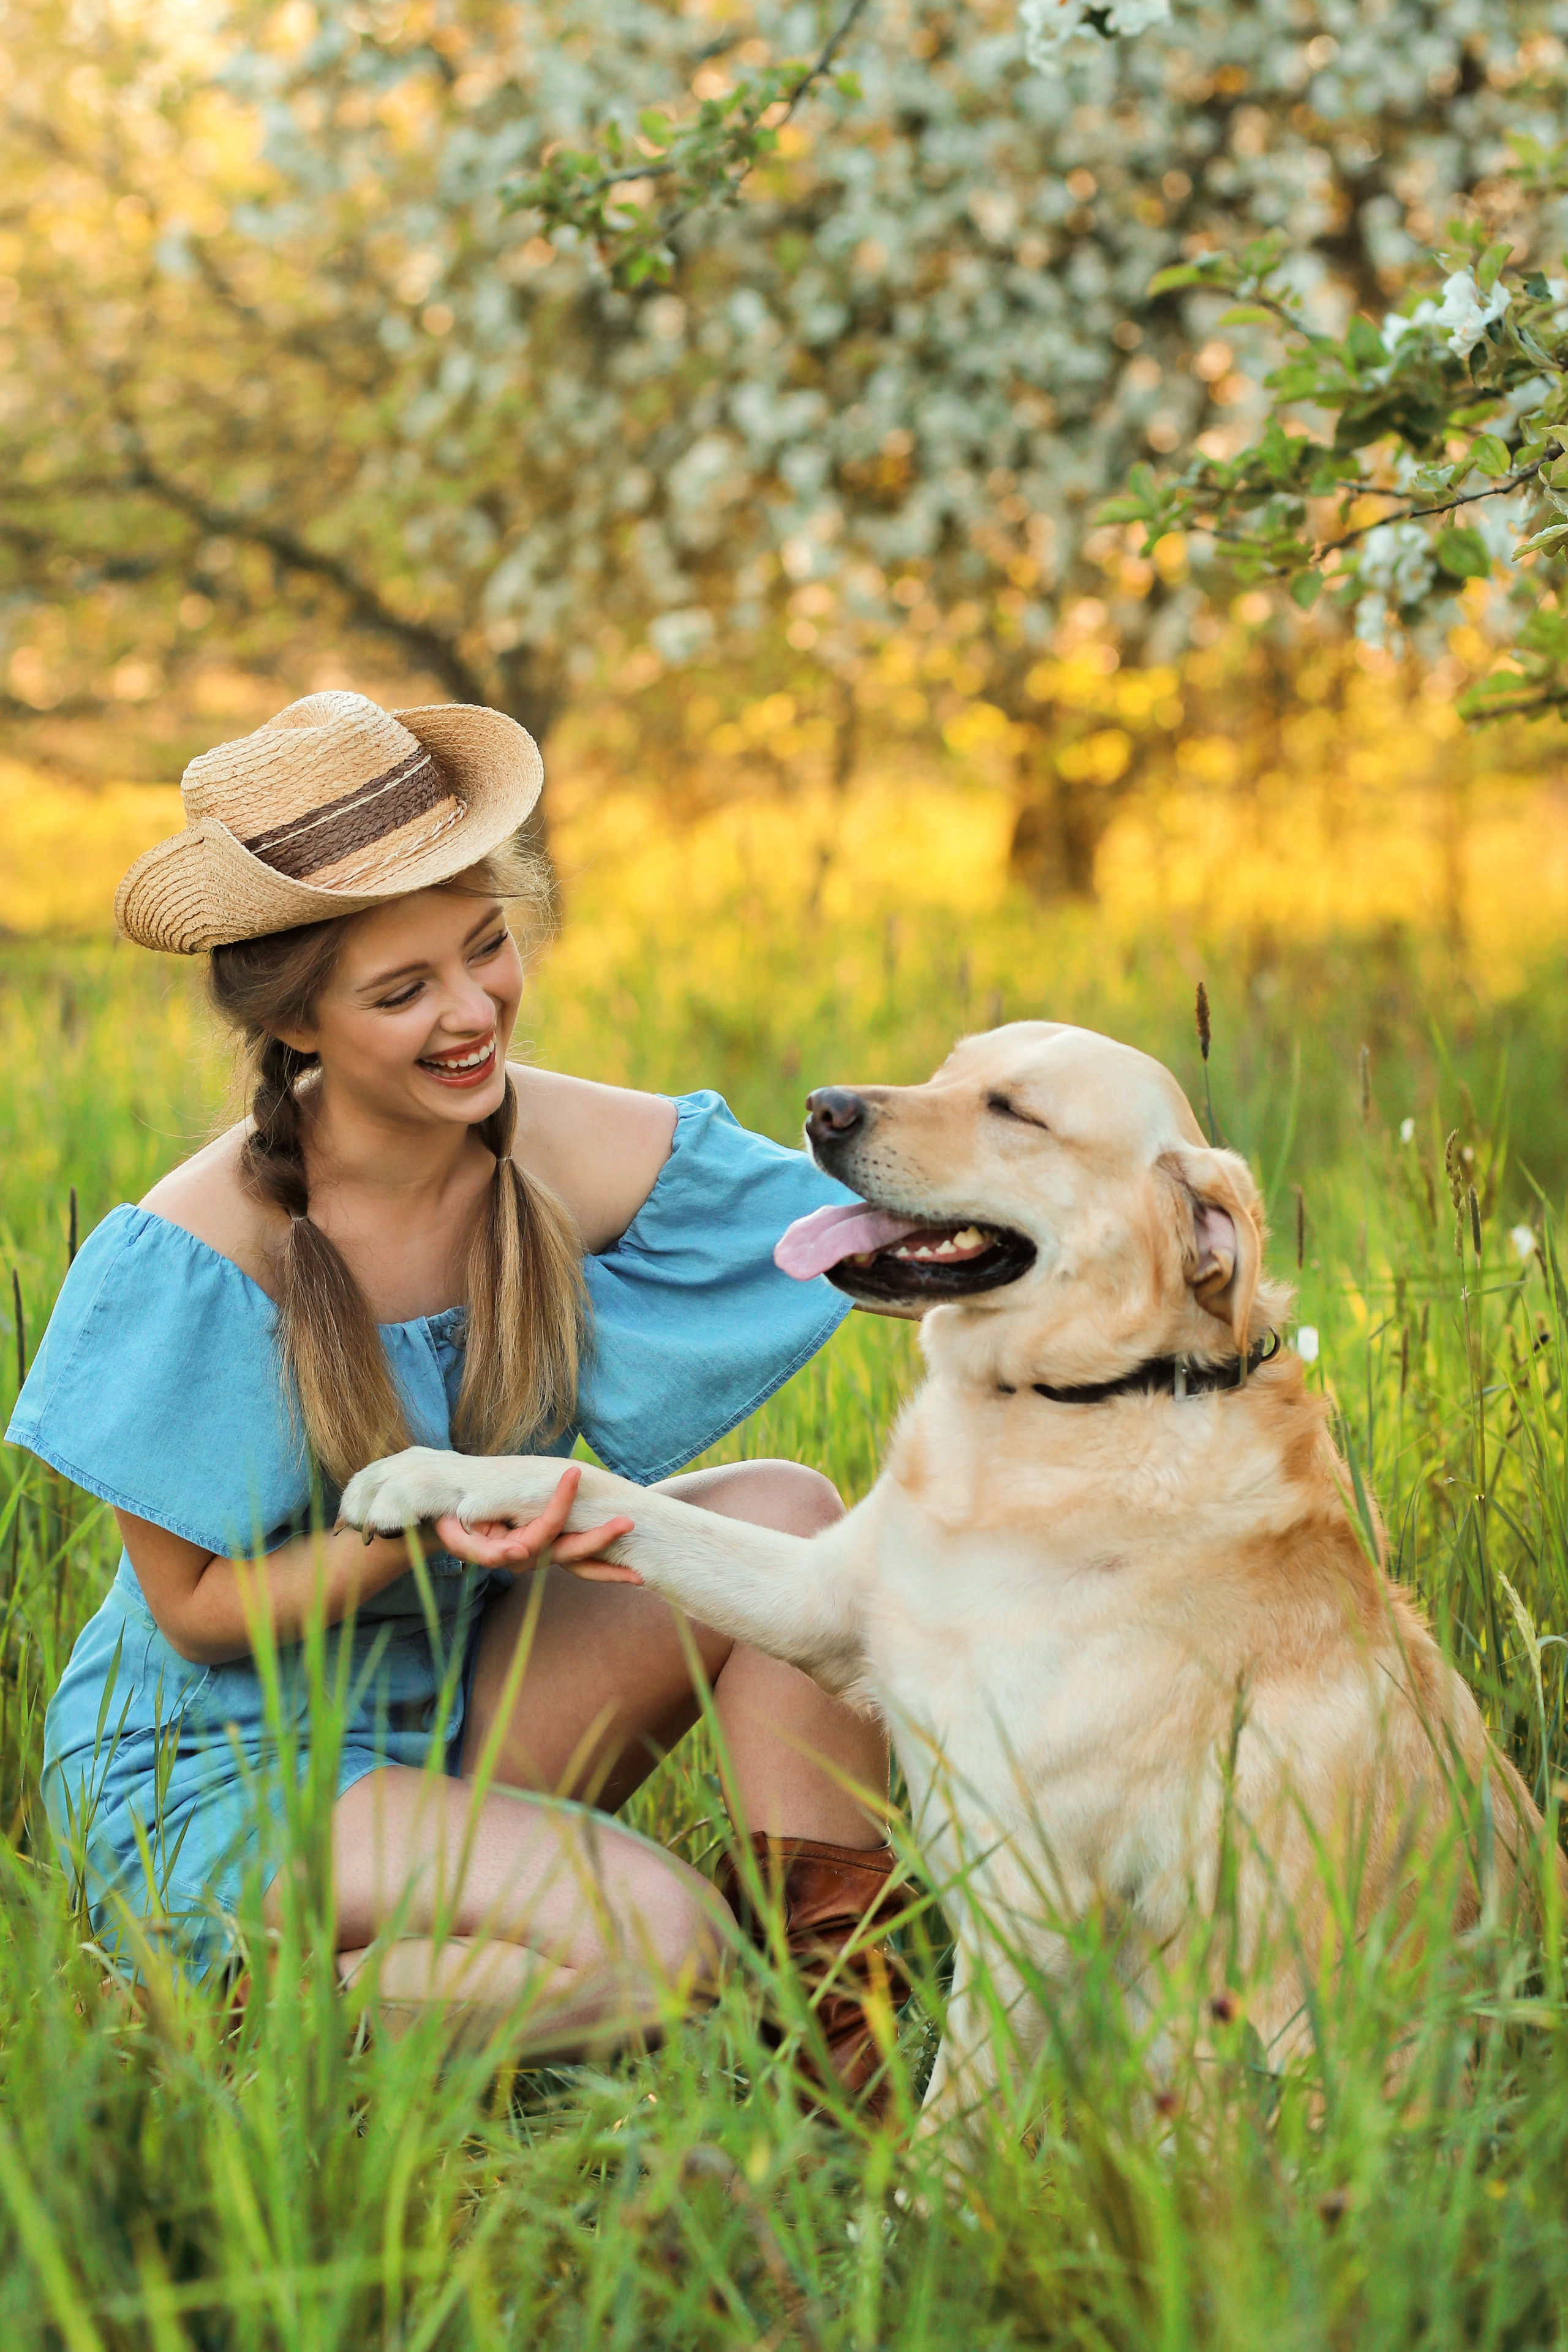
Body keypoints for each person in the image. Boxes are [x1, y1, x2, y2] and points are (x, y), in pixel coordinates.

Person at [7, 690, 903, 2096]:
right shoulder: (203, 1250)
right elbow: (192, 1617)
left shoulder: (559, 1144)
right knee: (657, 1947)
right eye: (402, 989)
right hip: (225, 1766)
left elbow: (870, 1240)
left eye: (485, 948)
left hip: (452, 1695)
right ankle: (241, 2022)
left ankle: (849, 2043)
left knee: (790, 1517)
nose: (473, 1011)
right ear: (295, 1020)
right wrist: (420, 1530)